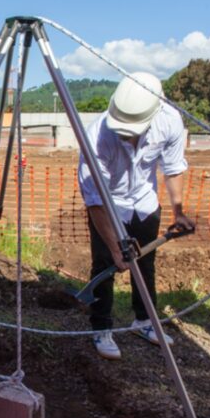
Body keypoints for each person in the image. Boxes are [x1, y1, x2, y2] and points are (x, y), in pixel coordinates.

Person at [77, 72, 195, 360]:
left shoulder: (169, 120)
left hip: (144, 202)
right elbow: (95, 200)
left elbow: (173, 167)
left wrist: (178, 210)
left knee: (145, 263)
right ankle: (101, 327)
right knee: (105, 263)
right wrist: (115, 245)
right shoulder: (97, 137)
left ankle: (144, 321)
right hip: (110, 205)